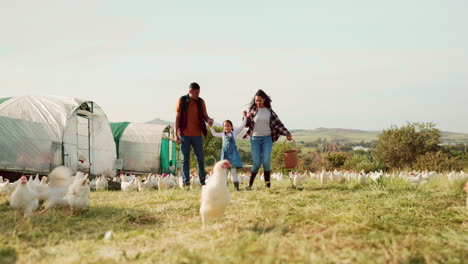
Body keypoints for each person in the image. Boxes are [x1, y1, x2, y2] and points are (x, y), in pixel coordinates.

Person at [243, 89, 292, 190]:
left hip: (267, 139)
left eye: (260, 100)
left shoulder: (270, 112)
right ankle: (249, 185)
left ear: (264, 100)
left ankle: (267, 186)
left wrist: (287, 133)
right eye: (256, 101)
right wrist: (244, 117)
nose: (258, 103)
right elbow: (247, 124)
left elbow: (279, 125)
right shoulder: (253, 111)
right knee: (256, 163)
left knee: (266, 161)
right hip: (255, 139)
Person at [175, 82, 214, 188]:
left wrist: (209, 120)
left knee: (200, 159)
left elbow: (205, 116)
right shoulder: (181, 100)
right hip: (184, 135)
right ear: (190, 91)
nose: (198, 95)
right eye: (196, 93)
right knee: (185, 160)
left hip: (197, 135)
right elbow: (177, 118)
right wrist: (176, 135)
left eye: (199, 93)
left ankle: (202, 182)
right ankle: (186, 182)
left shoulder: (201, 102)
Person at [209, 113, 248, 191]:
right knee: (225, 173)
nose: (226, 127)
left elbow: (242, 126)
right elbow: (214, 133)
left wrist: (245, 117)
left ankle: (237, 188)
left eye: (228, 125)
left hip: (233, 156)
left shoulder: (234, 133)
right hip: (225, 156)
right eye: (225, 126)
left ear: (231, 126)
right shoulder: (222, 135)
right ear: (223, 127)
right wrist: (210, 126)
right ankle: (225, 189)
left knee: (233, 172)